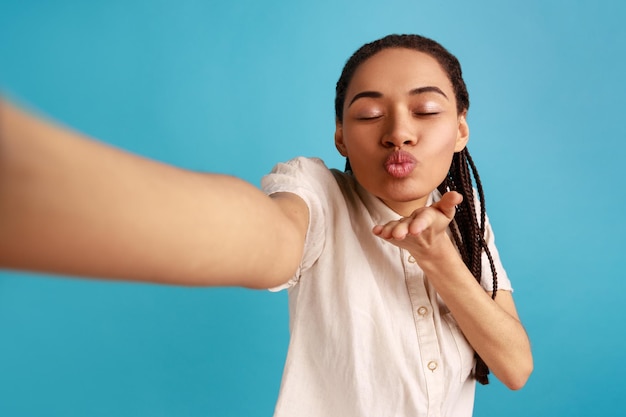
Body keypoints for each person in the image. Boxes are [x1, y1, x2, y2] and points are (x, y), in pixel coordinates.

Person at [0, 34, 533, 417]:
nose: (398, 133)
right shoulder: (318, 193)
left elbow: (514, 366)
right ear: (341, 139)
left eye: (425, 111)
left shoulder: (466, 218)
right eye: (369, 116)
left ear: (460, 129)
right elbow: (267, 235)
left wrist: (440, 260)